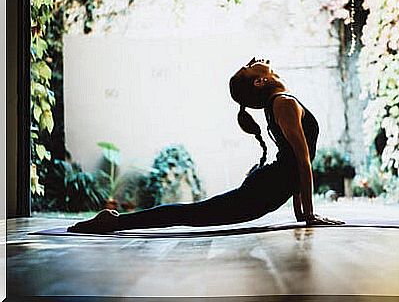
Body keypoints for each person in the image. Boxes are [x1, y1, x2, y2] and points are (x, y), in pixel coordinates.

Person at [67, 57, 344, 233]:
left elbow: (296, 162)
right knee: (193, 214)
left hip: (268, 188)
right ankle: (114, 222)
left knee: (195, 213)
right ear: (260, 81)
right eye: (249, 65)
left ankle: (115, 221)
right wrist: (308, 214)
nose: (257, 60)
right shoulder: (284, 103)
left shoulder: (281, 103)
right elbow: (302, 161)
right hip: (264, 191)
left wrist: (301, 212)